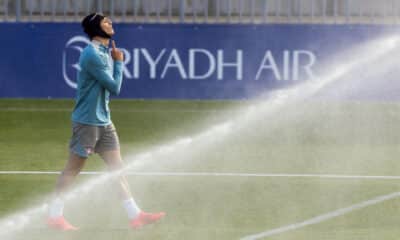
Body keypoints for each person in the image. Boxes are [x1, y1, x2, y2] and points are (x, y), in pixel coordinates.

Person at [47, 13, 165, 231]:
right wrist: (119, 62)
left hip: (104, 121)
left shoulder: (102, 52)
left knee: (118, 170)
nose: (111, 24)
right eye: (106, 21)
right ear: (96, 27)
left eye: (110, 21)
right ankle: (55, 216)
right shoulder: (92, 54)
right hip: (87, 122)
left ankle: (135, 215)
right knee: (73, 170)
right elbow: (114, 87)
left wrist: (114, 58)